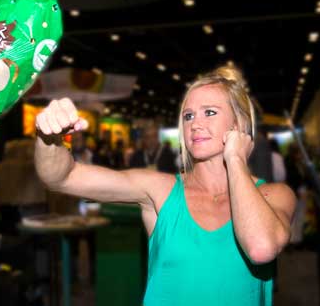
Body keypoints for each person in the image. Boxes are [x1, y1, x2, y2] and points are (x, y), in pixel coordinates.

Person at [34, 65, 296, 305]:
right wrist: (51, 136)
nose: (196, 124)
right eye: (188, 116)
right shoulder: (161, 190)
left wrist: (236, 158)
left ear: (238, 125)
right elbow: (62, 177)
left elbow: (261, 247)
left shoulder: (274, 195)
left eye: (210, 112)